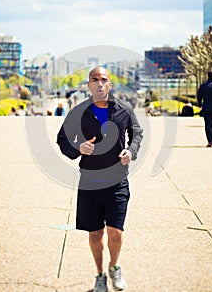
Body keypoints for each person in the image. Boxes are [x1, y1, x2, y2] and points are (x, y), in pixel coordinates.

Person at [57, 66, 143, 292]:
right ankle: (99, 275)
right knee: (95, 234)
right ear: (88, 85)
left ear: (109, 84)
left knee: (115, 232)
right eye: (94, 79)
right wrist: (78, 148)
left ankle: (114, 267)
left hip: (117, 182)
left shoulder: (124, 109)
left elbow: (136, 132)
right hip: (90, 183)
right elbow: (62, 140)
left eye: (103, 79)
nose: (99, 83)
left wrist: (131, 152)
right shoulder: (78, 112)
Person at [197, 71, 212, 147]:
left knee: (208, 124)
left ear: (207, 76)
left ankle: (209, 140)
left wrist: (200, 105)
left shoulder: (203, 86)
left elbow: (199, 97)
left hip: (206, 108)